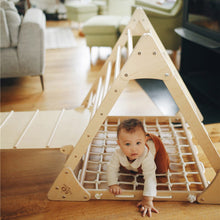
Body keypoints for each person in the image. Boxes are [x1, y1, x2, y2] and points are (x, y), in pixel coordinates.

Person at [107, 118, 169, 217]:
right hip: (136, 152)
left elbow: (150, 177)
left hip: (155, 145)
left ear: (144, 141)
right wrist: (113, 184)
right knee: (126, 167)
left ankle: (146, 141)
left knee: (161, 168)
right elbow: (112, 168)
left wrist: (148, 200)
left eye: (138, 143)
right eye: (127, 144)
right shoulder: (117, 152)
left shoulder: (146, 155)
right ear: (119, 144)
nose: (133, 149)